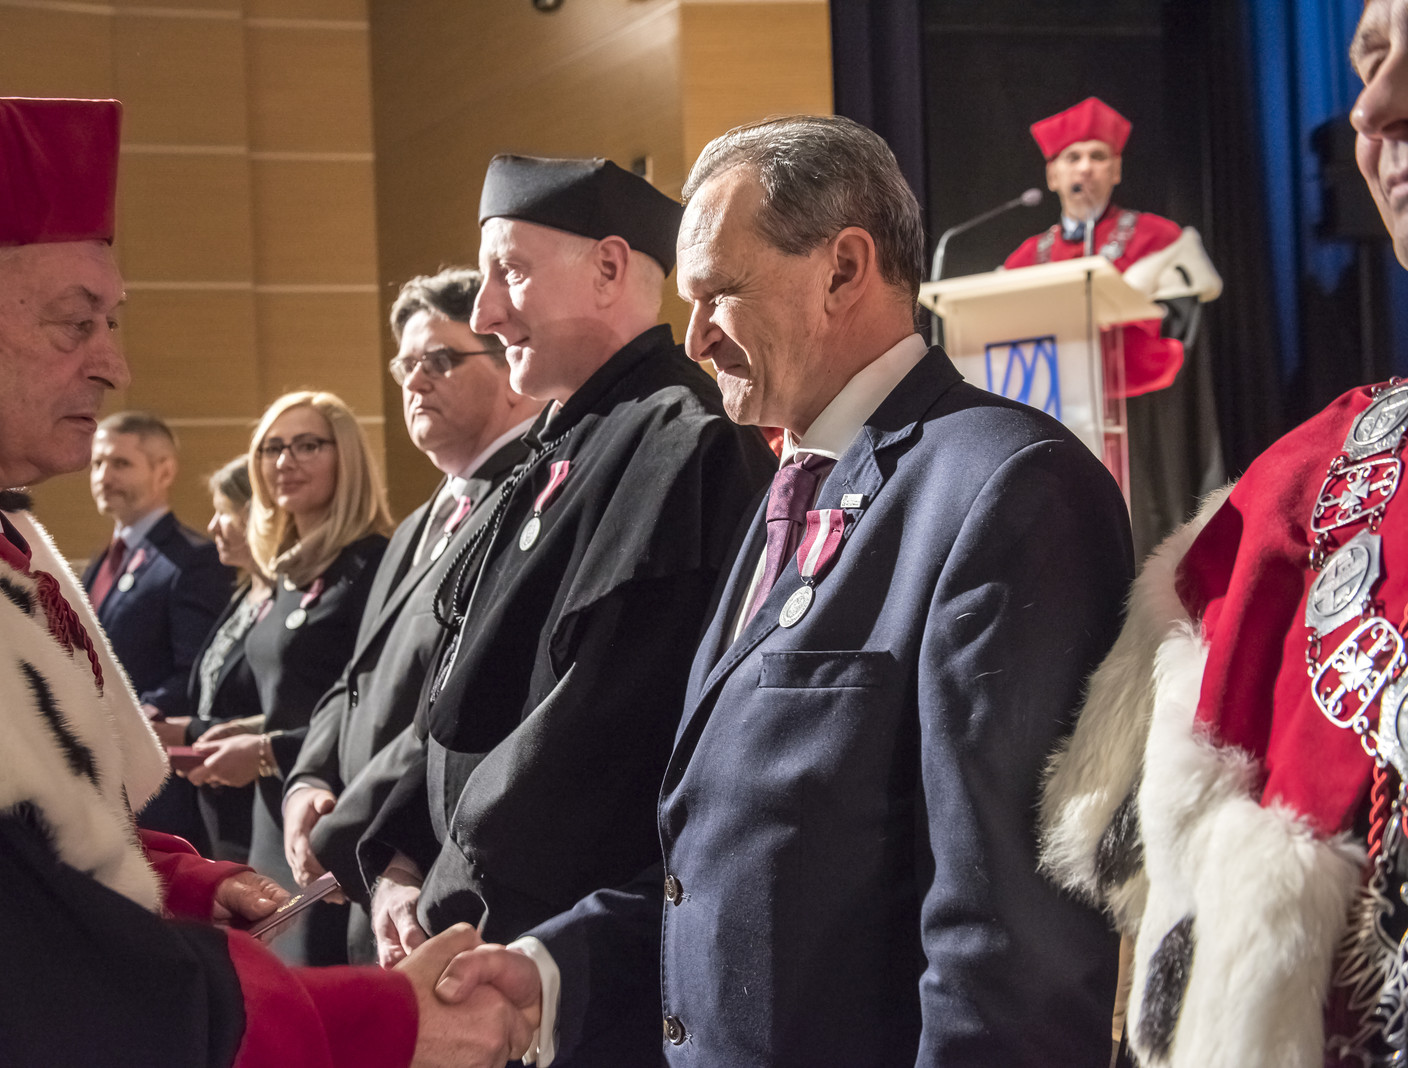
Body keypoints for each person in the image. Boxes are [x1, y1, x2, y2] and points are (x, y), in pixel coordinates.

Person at [0, 94, 533, 1068]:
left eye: (112, 321)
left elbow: (10, 843)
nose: (115, 365)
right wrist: (378, 1020)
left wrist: (174, 881)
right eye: (75, 323)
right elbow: (21, 990)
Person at [436, 115, 1134, 1066]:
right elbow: (745, 869)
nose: (694, 338)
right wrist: (556, 972)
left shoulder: (1003, 486)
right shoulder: (790, 487)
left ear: (843, 269)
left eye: (718, 294)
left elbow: (1008, 945)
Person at [1039, 3, 1408, 1064]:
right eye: (1369, 59)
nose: (1373, 107)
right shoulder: (1299, 486)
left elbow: (1189, 294)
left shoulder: (1157, 242)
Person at [361, 155, 775, 966]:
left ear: (609, 269)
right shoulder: (559, 442)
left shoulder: (686, 445)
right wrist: (401, 854)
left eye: (509, 272)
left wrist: (449, 895)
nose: (485, 313)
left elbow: (595, 736)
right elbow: (461, 687)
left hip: (558, 947)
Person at [282, 268, 542, 963]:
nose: (415, 381)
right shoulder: (417, 523)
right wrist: (309, 778)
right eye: (406, 365)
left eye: (441, 359)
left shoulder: (526, 507)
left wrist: (350, 823)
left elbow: (457, 705)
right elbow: (355, 676)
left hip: (419, 864)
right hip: (358, 864)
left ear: (513, 373)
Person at [186, 390, 390, 965]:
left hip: (331, 811)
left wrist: (268, 750)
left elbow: (373, 708)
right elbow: (302, 693)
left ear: (345, 456)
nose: (285, 461)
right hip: (271, 811)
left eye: (307, 445)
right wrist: (249, 729)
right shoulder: (289, 570)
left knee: (322, 983)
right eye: (272, 448)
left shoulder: (371, 564)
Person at [1002, 96, 1226, 557]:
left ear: (1116, 170)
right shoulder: (1025, 257)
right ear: (1053, 175)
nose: (1085, 167)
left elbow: (1179, 331)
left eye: (1098, 156)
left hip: (1137, 420)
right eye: (1073, 157)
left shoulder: (1157, 239)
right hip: (1051, 415)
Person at [85, 409, 233, 849]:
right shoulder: (101, 563)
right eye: (97, 463)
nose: (103, 476)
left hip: (160, 786)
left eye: (121, 463)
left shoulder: (194, 560)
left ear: (164, 471)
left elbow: (198, 671)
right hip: (104, 779)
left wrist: (135, 718)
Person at [179, 455, 268, 863]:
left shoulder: (290, 599)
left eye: (224, 512)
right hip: (219, 803)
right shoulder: (244, 593)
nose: (213, 526)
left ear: (256, 515)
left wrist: (189, 732)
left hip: (263, 805)